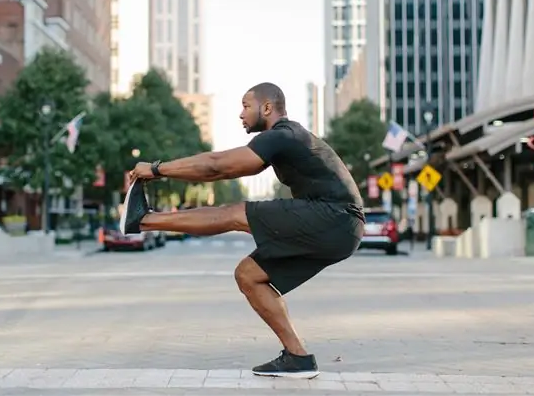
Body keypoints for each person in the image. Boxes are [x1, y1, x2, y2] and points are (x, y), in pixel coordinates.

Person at [121, 82, 365, 379]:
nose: (240, 114)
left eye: (246, 106)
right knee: (249, 275)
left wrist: (157, 169)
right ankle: (297, 357)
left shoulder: (283, 135)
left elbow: (217, 166)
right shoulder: (286, 138)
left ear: (267, 107)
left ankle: (143, 220)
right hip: (341, 228)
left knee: (234, 214)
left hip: (335, 216)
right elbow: (218, 167)